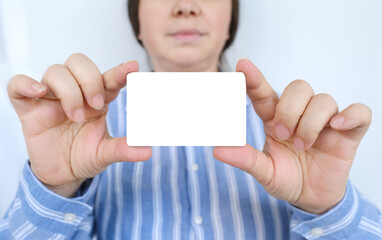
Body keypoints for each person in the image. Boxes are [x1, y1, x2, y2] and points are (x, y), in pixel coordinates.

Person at [1, 0, 381, 239]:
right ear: (137, 22)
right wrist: (54, 188)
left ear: (231, 20)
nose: (185, 6)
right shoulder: (81, 126)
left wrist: (326, 210)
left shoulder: (295, 134)